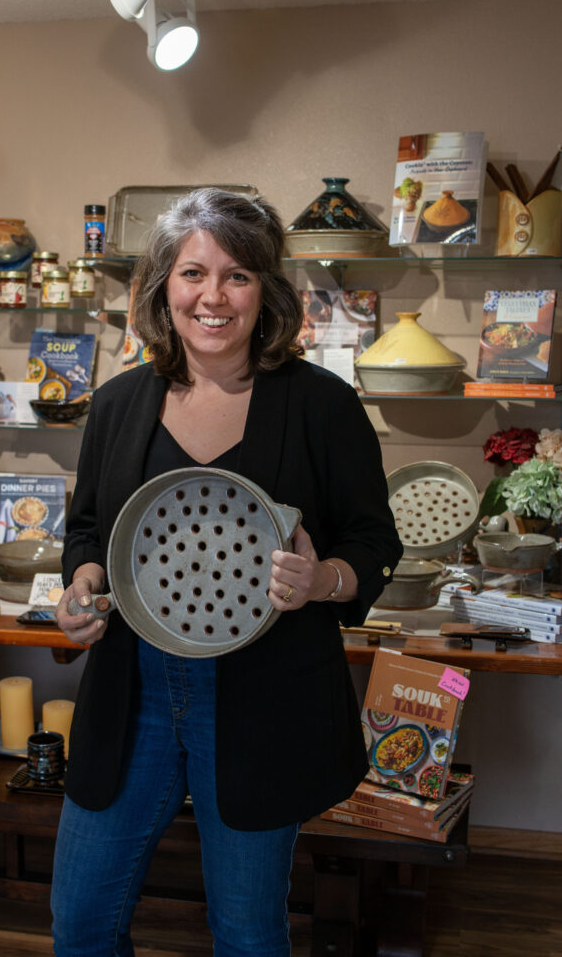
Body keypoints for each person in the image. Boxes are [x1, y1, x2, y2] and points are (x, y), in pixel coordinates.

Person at [51, 188, 403, 957]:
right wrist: (80, 586)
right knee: (80, 925)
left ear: (266, 292)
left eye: (238, 275)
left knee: (247, 933)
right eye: (192, 273)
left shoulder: (322, 405)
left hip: (263, 697)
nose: (213, 296)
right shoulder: (115, 405)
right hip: (132, 687)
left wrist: (325, 580)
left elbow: (376, 540)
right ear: (162, 288)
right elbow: (86, 533)